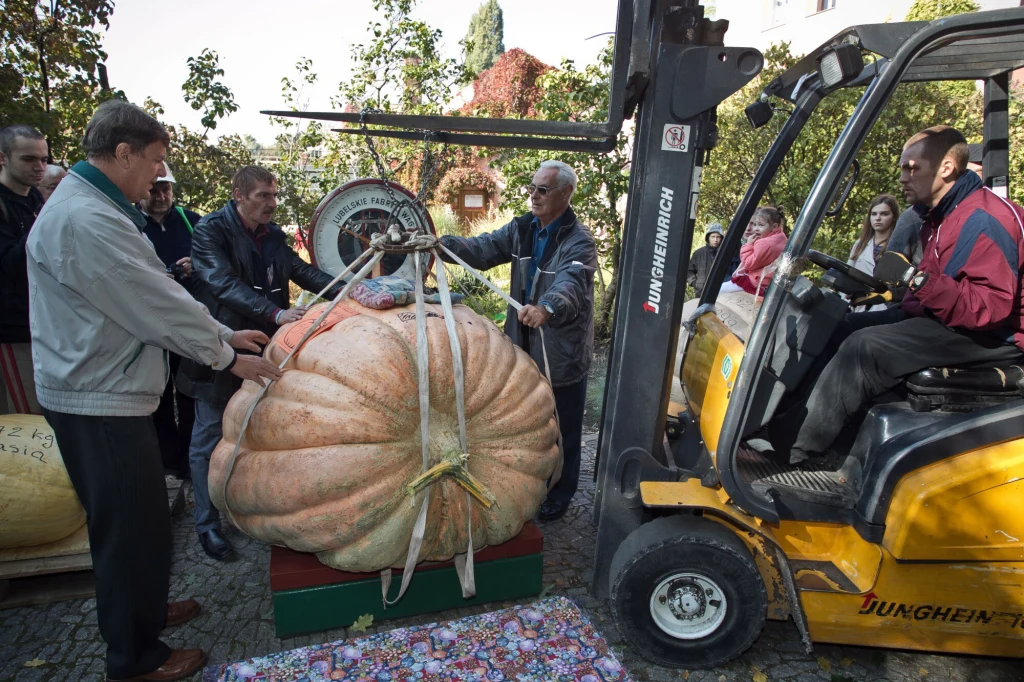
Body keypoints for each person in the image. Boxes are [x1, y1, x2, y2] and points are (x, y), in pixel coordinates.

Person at [26, 100, 283, 682]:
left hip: (102, 388)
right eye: (154, 161)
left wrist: (220, 331)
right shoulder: (85, 220)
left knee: (134, 521)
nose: (158, 176)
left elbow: (154, 291)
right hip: (95, 399)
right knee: (126, 527)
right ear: (122, 153)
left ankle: (141, 611)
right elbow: (151, 301)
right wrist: (225, 356)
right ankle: (136, 659)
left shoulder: (94, 207)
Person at [786, 125, 1024, 465]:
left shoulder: (983, 219)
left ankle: (801, 453)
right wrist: (886, 292)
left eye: (912, 168)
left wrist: (914, 278)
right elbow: (931, 290)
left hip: (997, 336)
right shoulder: (940, 217)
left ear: (946, 168)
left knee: (864, 347)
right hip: (957, 321)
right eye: (902, 169)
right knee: (838, 326)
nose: (903, 178)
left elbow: (987, 307)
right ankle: (787, 426)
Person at [177, 165, 342, 561]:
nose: (271, 203)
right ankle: (207, 525)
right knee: (209, 437)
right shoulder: (209, 232)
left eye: (273, 195)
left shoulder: (274, 237)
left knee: (261, 433)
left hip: (268, 348)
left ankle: (254, 510)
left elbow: (301, 271)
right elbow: (220, 282)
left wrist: (352, 288)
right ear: (239, 194)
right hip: (223, 349)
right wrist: (274, 314)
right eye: (263, 196)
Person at [439, 160, 598, 522]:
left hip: (560, 355)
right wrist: (443, 245)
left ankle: (561, 492)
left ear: (566, 194)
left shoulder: (579, 240)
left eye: (543, 190)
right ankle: (531, 482)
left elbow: (571, 285)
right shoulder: (522, 228)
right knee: (526, 419)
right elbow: (481, 249)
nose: (534, 196)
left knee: (563, 428)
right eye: (532, 188)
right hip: (522, 348)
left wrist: (547, 307)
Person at [140, 161, 201, 479]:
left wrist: (196, 266)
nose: (160, 195)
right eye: (154, 189)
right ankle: (168, 458)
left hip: (189, 318)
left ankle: (191, 458)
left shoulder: (191, 222)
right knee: (159, 393)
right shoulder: (131, 225)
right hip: (150, 322)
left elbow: (214, 262)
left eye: (166, 189)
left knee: (189, 389)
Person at [0, 124, 47, 415]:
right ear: (3, 158)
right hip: (11, 332)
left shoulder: (34, 200)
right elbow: (9, 266)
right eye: (28, 159)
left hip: (41, 328)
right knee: (23, 422)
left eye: (43, 159)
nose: (39, 167)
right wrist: (46, 224)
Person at [847, 194, 900, 312]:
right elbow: (847, 275)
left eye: (884, 214)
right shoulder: (860, 244)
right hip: (857, 306)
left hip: (883, 308)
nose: (878, 218)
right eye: (874, 214)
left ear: (894, 217)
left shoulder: (898, 247)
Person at [721, 206, 787, 296]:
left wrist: (748, 245)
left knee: (719, 289)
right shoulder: (781, 238)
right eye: (755, 225)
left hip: (757, 282)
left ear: (774, 226)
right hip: (768, 280)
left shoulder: (764, 243)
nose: (755, 229)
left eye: (760, 225)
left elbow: (749, 263)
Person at [687, 222, 724, 297]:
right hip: (701, 294)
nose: (715, 240)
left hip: (721, 293)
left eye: (718, 237)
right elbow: (689, 270)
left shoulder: (726, 253)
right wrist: (695, 283)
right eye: (712, 237)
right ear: (708, 238)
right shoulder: (698, 253)